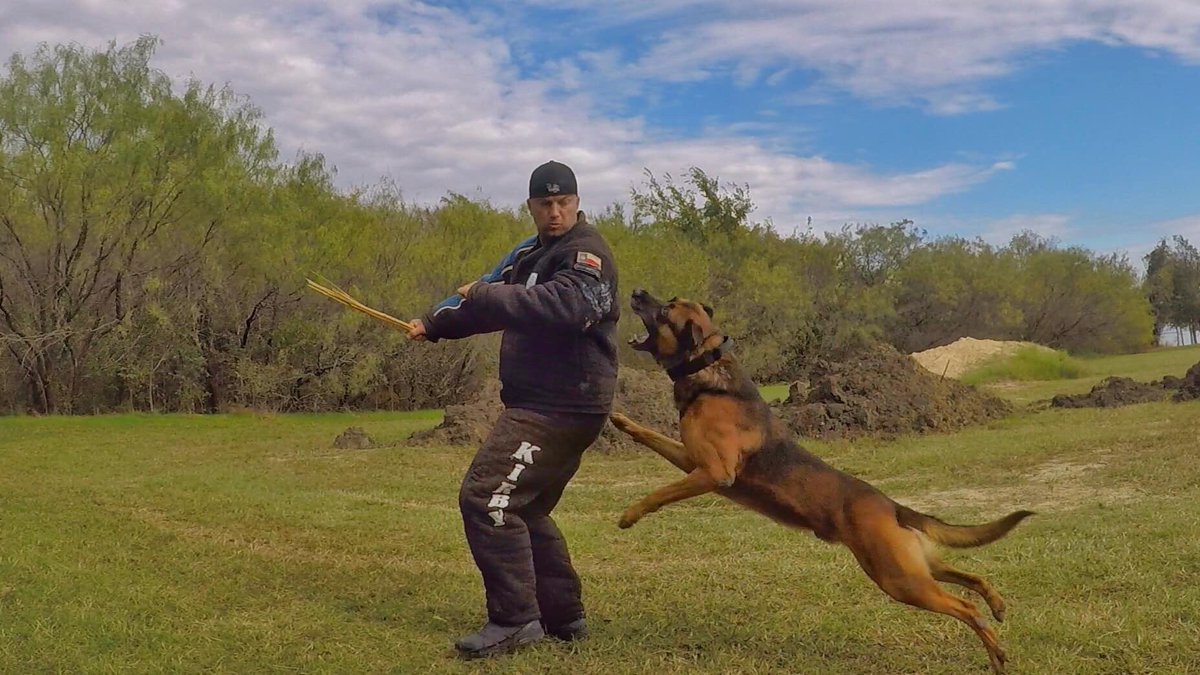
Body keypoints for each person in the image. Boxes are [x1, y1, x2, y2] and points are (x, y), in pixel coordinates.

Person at [406, 160, 619, 658]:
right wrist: (432, 324)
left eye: (563, 202)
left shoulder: (587, 253)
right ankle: (563, 617)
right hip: (542, 402)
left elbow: (567, 307)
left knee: (486, 499)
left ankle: (515, 620)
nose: (555, 212)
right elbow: (481, 298)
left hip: (562, 405)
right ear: (530, 207)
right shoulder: (527, 254)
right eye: (545, 204)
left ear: (577, 203)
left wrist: (488, 294)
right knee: (524, 506)